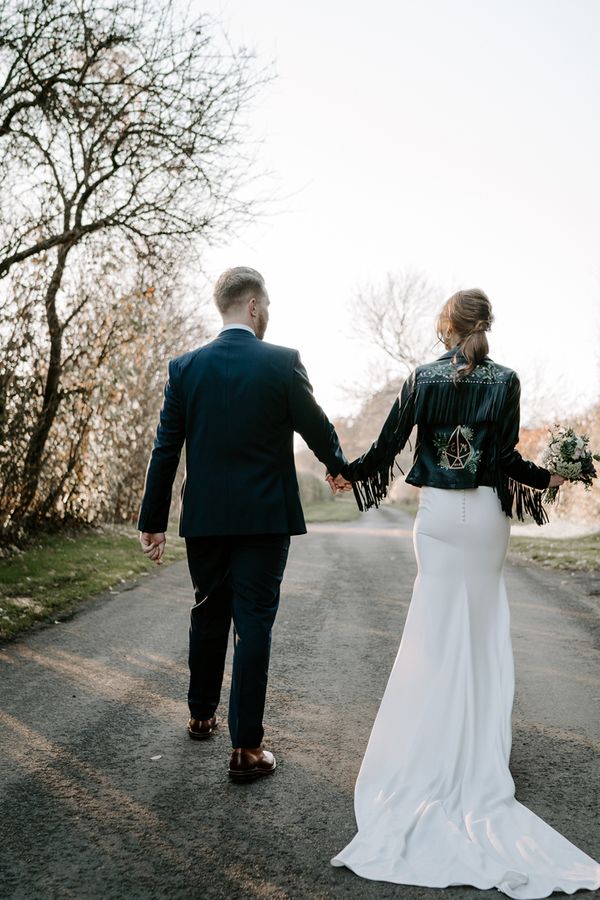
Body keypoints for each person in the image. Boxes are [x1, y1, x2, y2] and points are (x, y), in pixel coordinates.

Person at [331, 288, 600, 898]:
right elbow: (504, 461)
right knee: (481, 632)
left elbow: (389, 447)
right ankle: (480, 756)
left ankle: (428, 750)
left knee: (432, 633)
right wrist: (550, 476)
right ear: (486, 326)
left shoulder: (422, 378)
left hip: (435, 517)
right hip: (482, 519)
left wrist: (349, 472)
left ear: (448, 326)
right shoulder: (506, 381)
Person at [137, 267, 350, 781]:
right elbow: (316, 424)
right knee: (253, 623)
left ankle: (201, 714)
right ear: (254, 305)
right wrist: (338, 467)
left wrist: (153, 519)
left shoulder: (186, 368)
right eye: (268, 306)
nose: (268, 314)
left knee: (208, 611)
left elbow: (166, 448)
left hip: (205, 519)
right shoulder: (282, 363)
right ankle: (247, 749)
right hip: (264, 518)